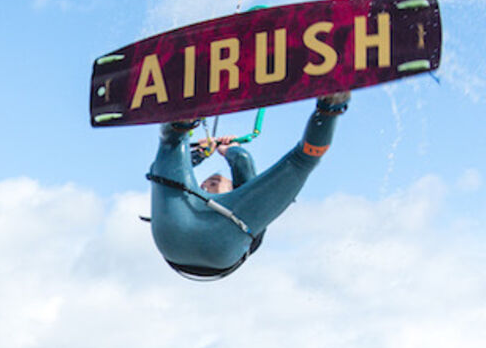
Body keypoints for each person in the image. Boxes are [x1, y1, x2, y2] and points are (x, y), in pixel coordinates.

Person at [147, 92, 350, 279]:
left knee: (172, 142)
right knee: (303, 160)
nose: (209, 183)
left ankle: (183, 117)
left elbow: (163, 167)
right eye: (207, 183)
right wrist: (229, 151)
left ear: (236, 191)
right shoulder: (200, 199)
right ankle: (332, 104)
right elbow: (242, 163)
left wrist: (211, 151)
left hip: (182, 240)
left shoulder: (240, 205)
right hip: (209, 242)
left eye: (216, 182)